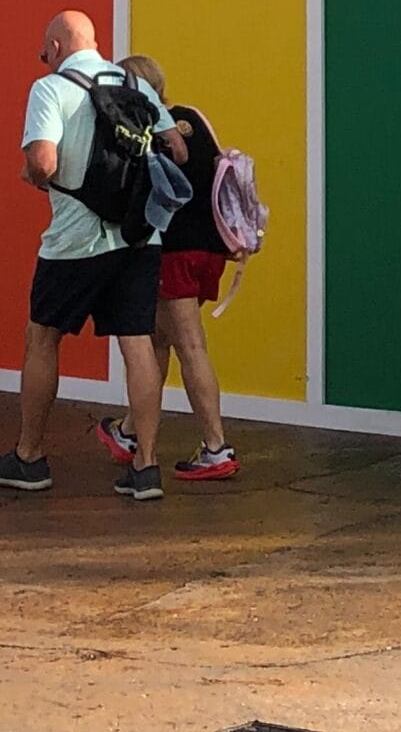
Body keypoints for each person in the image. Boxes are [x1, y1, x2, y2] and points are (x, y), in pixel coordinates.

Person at [0, 10, 178, 501]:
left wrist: (36, 176)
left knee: (43, 338)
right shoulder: (136, 84)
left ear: (57, 45)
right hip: (137, 238)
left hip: (73, 242)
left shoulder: (50, 89)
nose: (42, 59)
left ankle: (28, 458)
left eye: (45, 50)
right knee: (137, 344)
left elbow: (42, 160)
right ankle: (146, 466)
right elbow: (177, 147)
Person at [95, 56, 240, 483]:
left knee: (189, 346)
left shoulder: (143, 133)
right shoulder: (193, 118)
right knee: (158, 342)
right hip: (209, 252)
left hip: (171, 252)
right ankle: (129, 431)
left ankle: (216, 448)